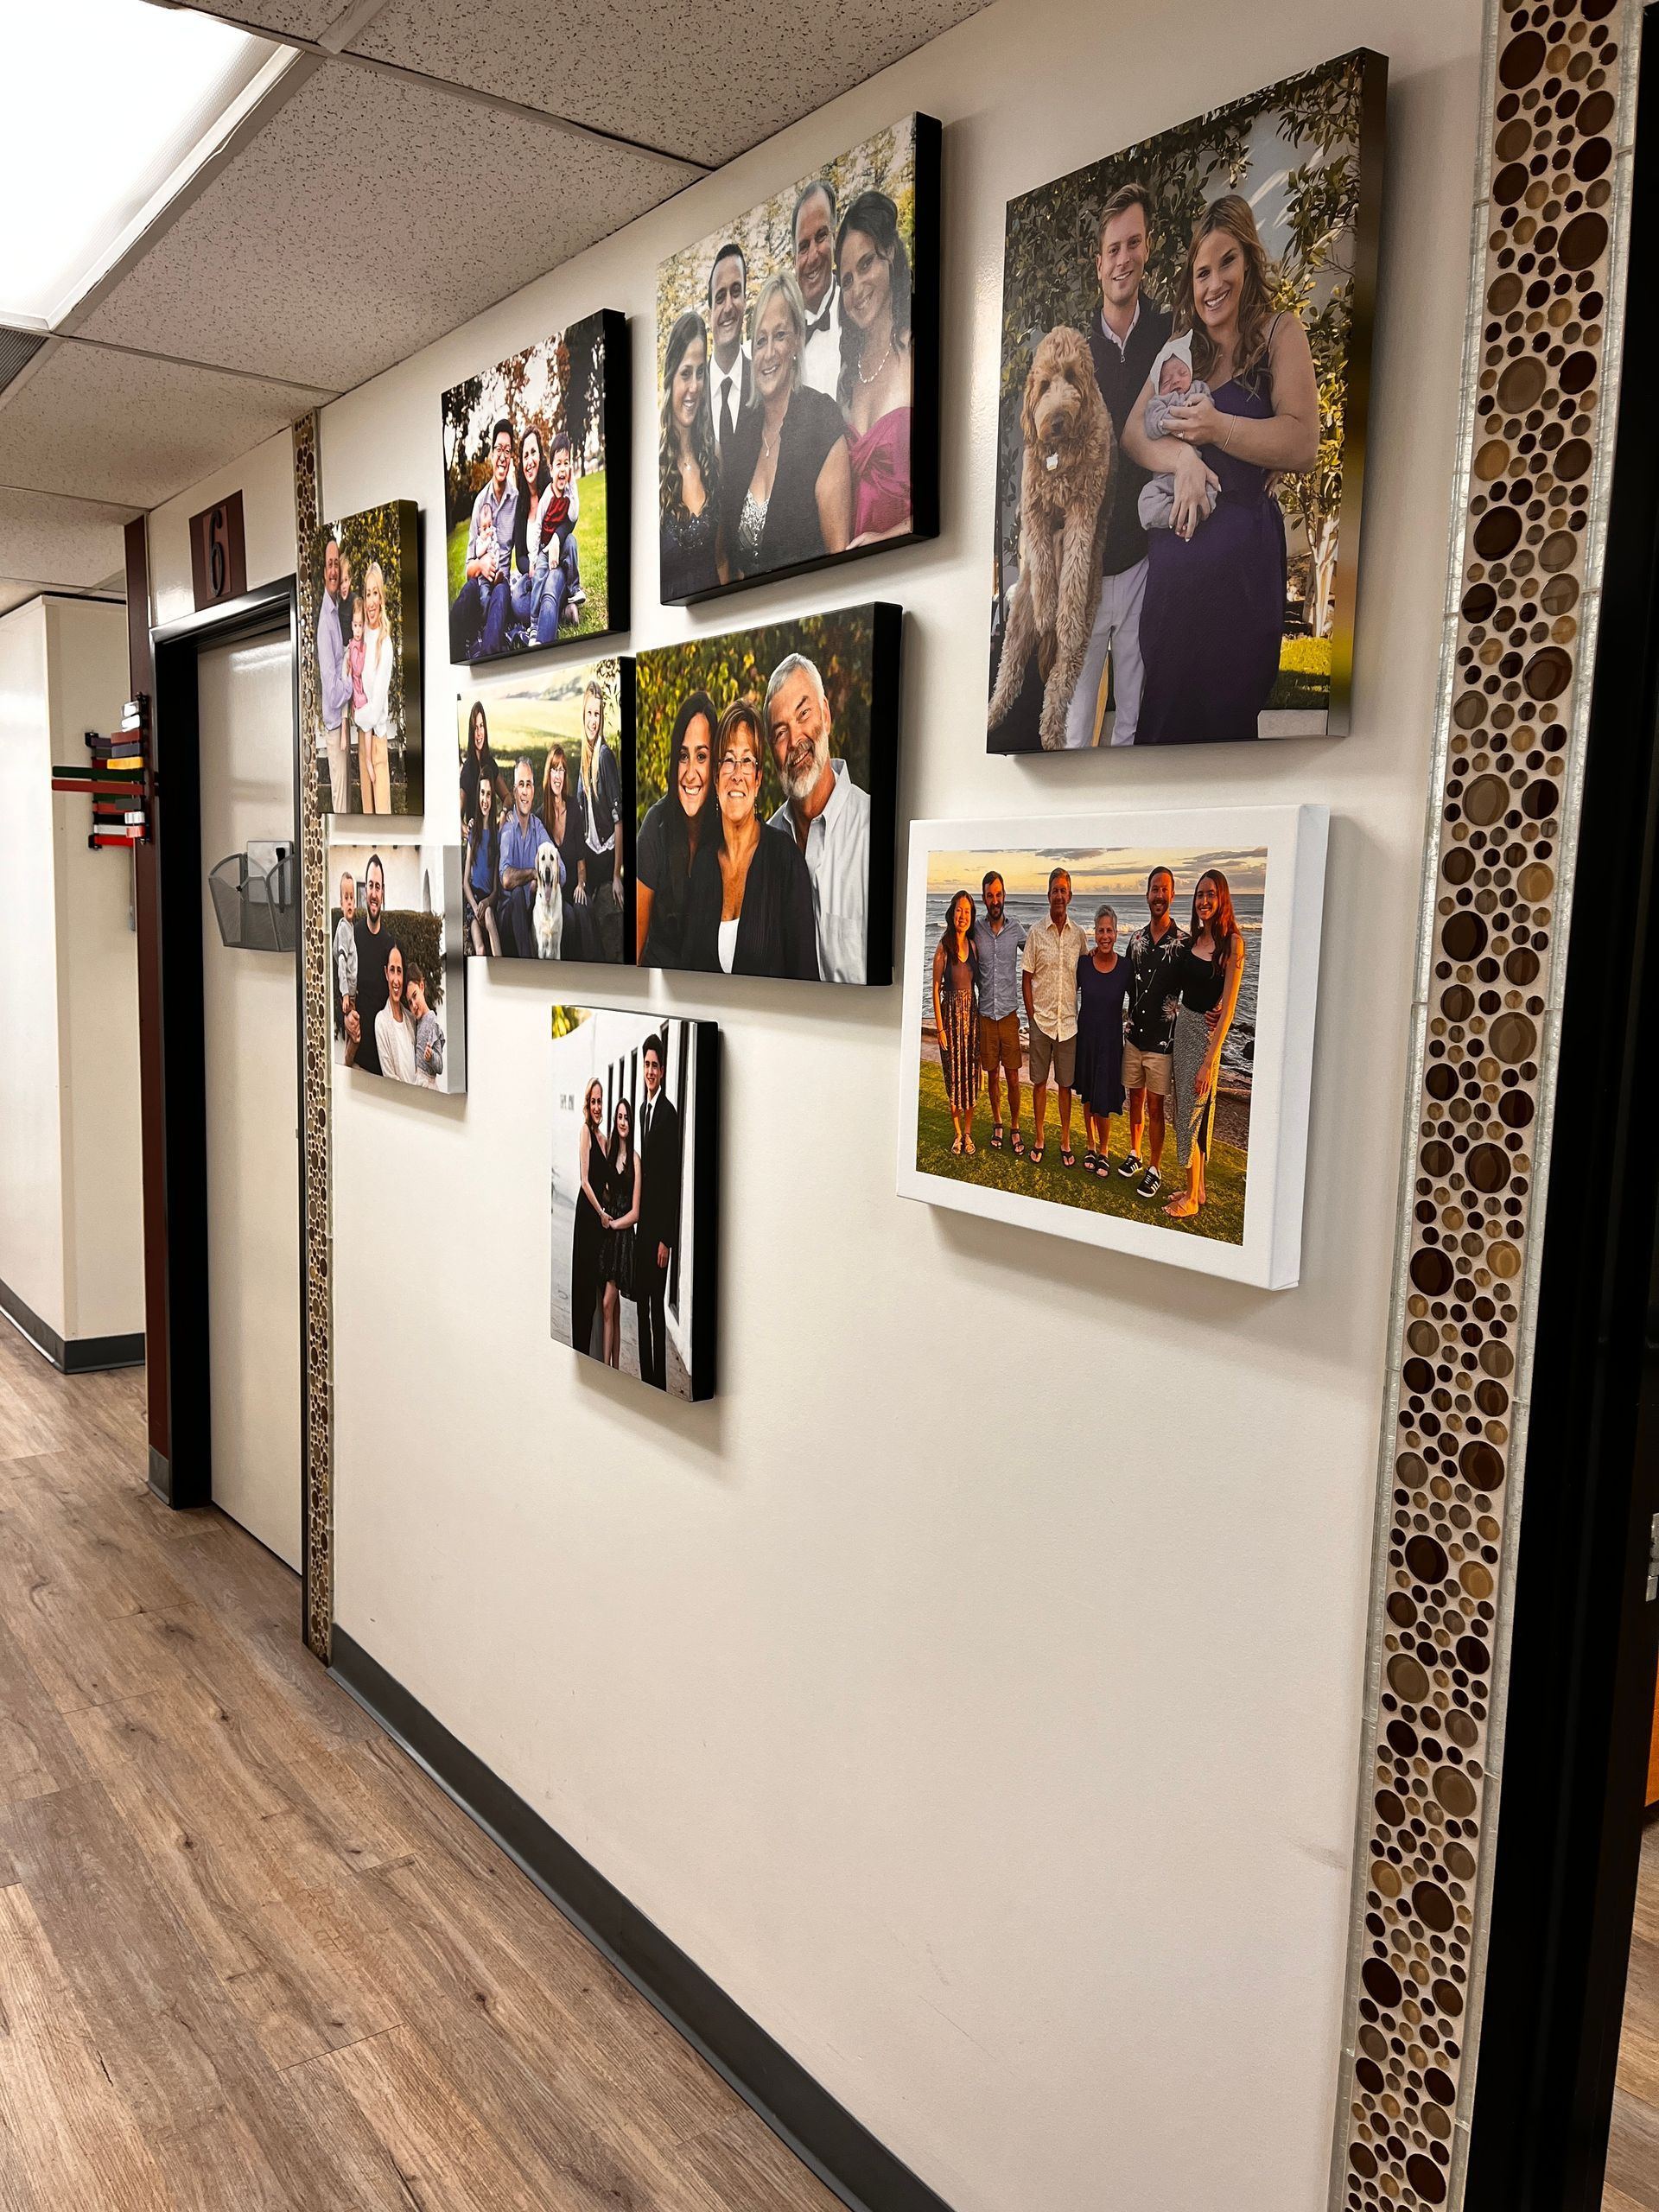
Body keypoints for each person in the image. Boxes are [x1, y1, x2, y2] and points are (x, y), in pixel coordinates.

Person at [1122, 193, 1320, 746]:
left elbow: (1303, 442)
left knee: (1228, 742)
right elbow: (1133, 434)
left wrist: (1216, 429)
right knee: (1160, 737)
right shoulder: (1183, 351)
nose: (1214, 285)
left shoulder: (1279, 334)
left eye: (1226, 262)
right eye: (1201, 272)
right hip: (1174, 589)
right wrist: (1183, 457)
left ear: (1249, 260)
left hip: (1240, 583)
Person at [1060, 182, 1174, 751]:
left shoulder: (1171, 336)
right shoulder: (1074, 351)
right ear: (1098, 261)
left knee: (1134, 724)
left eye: (1133, 243)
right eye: (1113, 249)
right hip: (1086, 571)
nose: (1123, 258)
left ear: (1147, 247)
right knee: (1074, 728)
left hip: (1144, 564)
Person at [721, 271, 851, 583]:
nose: (768, 353)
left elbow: (840, 559)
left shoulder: (821, 420)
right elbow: (730, 562)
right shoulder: (742, 437)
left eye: (779, 336)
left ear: (797, 340)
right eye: (760, 340)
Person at [683, 701, 818, 980]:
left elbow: (806, 979)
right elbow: (686, 974)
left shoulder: (785, 861)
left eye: (747, 761)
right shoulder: (703, 865)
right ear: (716, 778)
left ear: (757, 779)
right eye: (728, 760)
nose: (736, 775)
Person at [764, 652, 868, 985]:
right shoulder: (763, 849)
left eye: (803, 714)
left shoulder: (871, 832)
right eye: (780, 732)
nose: (795, 741)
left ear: (826, 713)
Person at [1166, 869, 1246, 1221]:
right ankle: (1197, 1188)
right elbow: (1183, 988)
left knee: (1191, 1116)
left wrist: (1208, 1062)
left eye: (1210, 894)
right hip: (1184, 1029)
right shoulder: (1192, 942)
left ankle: (1191, 1200)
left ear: (1222, 897)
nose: (1204, 901)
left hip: (1204, 1042)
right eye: (1199, 895)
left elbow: (1228, 1010)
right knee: (1189, 1112)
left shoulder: (1233, 944)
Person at [836, 190, 913, 547]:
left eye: (866, 264)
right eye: (846, 280)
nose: (857, 289)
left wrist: (885, 538)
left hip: (917, 564)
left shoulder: (916, 351)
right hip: (857, 569)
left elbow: (949, 492)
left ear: (891, 253)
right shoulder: (847, 376)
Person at [1120, 866, 1188, 1198]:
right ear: (1147, 895)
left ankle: (1155, 1168)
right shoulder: (1136, 941)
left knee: (1156, 1107)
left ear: (1172, 894)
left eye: (1164, 889)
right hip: (1134, 1037)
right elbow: (1123, 981)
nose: (1159, 895)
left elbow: (1197, 985)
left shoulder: (1184, 944)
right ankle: (1135, 1153)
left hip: (1163, 1042)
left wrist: (1217, 1006)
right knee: (1135, 1098)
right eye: (1154, 889)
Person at [637, 690, 717, 968]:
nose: (690, 773)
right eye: (683, 756)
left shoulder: (727, 830)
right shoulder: (655, 825)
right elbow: (635, 952)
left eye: (702, 756)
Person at [1020, 868, 1087, 1167]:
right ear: (1048, 895)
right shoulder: (1036, 933)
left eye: (1063, 890)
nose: (1059, 896)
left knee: (1065, 1086)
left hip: (1068, 1025)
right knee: (1038, 1083)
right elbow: (1026, 978)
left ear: (1070, 896)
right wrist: (1032, 1016)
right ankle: (1039, 1138)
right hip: (1042, 1023)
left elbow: (1087, 975)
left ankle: (1065, 1141)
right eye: (1055, 890)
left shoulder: (1079, 935)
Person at [658, 310, 722, 600]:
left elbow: (722, 560)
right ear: (670, 377)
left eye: (700, 373)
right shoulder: (653, 469)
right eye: (686, 373)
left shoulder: (714, 456)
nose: (694, 387)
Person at [634, 1033, 682, 1391]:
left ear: (663, 1071)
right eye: (647, 1065)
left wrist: (667, 1238)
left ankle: (659, 1386)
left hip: (659, 1236)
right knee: (640, 1305)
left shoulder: (669, 1114)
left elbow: (671, 1181)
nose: (650, 1071)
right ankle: (645, 1380)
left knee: (655, 1310)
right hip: (642, 1229)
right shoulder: (642, 1111)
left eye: (655, 1066)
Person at [449, 416, 517, 662]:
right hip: (479, 583)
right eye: (499, 449)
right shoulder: (480, 502)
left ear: (511, 458)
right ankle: (457, 654)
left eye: (507, 451)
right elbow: (468, 568)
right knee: (465, 596)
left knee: (501, 594)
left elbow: (523, 552)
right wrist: (481, 564)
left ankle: (487, 653)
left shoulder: (516, 500)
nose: (502, 456)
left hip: (501, 583)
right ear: (491, 455)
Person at [1136, 335, 1218, 533]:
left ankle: (1192, 515)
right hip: (1165, 476)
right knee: (1146, 502)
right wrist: (1169, 420)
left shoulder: (1197, 389)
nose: (1175, 381)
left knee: (1211, 489)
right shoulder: (1158, 402)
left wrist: (1195, 409)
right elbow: (1151, 425)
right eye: (1166, 381)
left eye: (1182, 373)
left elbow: (1208, 408)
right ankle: (1175, 517)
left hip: (1197, 472)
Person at [1075, 905, 1132, 1176]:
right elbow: (1064, 988)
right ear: (1094, 933)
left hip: (1110, 1043)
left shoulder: (1125, 968)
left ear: (1116, 933)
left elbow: (1141, 999)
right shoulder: (1084, 964)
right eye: (1100, 931)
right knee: (1088, 1095)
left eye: (1109, 930)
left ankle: (1105, 1150)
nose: (1105, 936)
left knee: (1104, 1099)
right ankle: (1090, 1144)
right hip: (1086, 1038)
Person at [973, 871, 1027, 1154]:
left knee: (1014, 1077)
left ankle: (1015, 1126)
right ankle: (997, 1122)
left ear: (1004, 896)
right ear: (984, 898)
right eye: (990, 895)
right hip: (985, 1016)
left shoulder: (1016, 930)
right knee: (992, 1076)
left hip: (1008, 1015)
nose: (995, 900)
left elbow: (1038, 954)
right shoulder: (976, 929)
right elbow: (956, 944)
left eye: (998, 894)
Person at [576, 681, 624, 962]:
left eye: (597, 714)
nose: (593, 721)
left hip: (606, 859)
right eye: (589, 714)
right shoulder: (585, 759)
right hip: (589, 858)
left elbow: (619, 822)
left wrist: (617, 876)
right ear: (582, 716)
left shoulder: (605, 757)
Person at [932, 891, 981, 1155]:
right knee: (953, 1078)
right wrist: (940, 1028)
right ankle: (958, 1133)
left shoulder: (973, 947)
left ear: (972, 916)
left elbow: (981, 983)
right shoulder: (944, 946)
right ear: (952, 913)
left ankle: (969, 1132)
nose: (963, 916)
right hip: (950, 1021)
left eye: (967, 911)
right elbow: (935, 987)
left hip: (971, 1021)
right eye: (959, 910)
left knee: (970, 1076)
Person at [598, 1097, 640, 1371]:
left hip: (623, 1238)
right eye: (619, 1117)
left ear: (630, 1123)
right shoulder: (611, 1153)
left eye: (626, 1118)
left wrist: (614, 1224)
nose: (623, 1122)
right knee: (612, 1310)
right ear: (615, 1121)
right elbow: (605, 1193)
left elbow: (636, 1213)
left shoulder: (635, 1160)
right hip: (608, 1239)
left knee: (607, 1304)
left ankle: (604, 1369)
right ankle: (613, 1368)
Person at [498, 754, 556, 959]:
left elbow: (561, 868)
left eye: (528, 785)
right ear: (514, 791)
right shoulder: (507, 830)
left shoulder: (538, 828)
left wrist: (542, 881)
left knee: (563, 912)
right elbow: (506, 879)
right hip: (507, 919)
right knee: (516, 895)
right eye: (520, 785)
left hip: (532, 911)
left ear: (533, 791)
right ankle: (528, 961)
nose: (524, 791)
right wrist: (534, 874)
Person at [540, 747, 593, 962]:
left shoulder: (574, 808)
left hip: (573, 888)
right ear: (548, 774)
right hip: (554, 896)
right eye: (554, 769)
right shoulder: (541, 817)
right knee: (569, 917)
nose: (558, 775)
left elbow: (581, 861)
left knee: (583, 908)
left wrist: (581, 884)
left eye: (562, 770)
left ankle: (594, 965)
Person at [793, 179, 841, 399]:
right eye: (803, 247)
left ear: (835, 238)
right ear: (794, 259)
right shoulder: (782, 332)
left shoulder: (857, 308)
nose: (813, 256)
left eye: (821, 236)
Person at [345, 853, 391, 1075]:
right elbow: (341, 990)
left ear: (383, 893)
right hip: (358, 1064)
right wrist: (345, 1017)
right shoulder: (353, 937)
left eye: (378, 887)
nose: (373, 893)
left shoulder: (390, 945)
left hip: (384, 1066)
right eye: (370, 885)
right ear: (365, 891)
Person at [354, 561, 395, 813]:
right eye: (367, 593)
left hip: (377, 740)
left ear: (381, 598)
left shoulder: (385, 644)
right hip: (363, 739)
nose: (370, 601)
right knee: (366, 815)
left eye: (375, 593)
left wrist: (356, 715)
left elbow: (375, 707)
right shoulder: (359, 638)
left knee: (383, 815)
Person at [570, 1077, 606, 1360]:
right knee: (583, 1290)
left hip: (600, 1222)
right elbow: (585, 1181)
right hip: (587, 1217)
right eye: (592, 1101)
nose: (596, 1106)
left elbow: (606, 1183)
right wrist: (602, 1213)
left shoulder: (604, 1139)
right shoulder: (585, 1132)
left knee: (596, 1288)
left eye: (599, 1101)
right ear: (587, 1103)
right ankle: (580, 1351)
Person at [707, 242, 751, 472]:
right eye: (720, 297)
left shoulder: (763, 385)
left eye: (735, 292)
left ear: (745, 300)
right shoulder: (692, 394)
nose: (728, 307)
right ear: (710, 313)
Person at [316, 536, 352, 810]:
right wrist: (350, 685)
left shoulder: (337, 610)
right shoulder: (324, 622)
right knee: (341, 807)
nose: (333, 570)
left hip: (343, 724)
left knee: (347, 802)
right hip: (334, 727)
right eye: (329, 564)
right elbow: (332, 690)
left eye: (336, 564)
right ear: (323, 572)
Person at [460, 698, 510, 832]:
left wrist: (503, 814)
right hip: (475, 839)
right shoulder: (467, 770)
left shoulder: (490, 764)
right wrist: (466, 831)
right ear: (471, 732)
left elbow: (507, 797)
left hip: (492, 839)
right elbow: (458, 817)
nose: (479, 733)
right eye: (475, 728)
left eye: (481, 726)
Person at [373, 938, 418, 1084]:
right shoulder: (381, 1022)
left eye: (399, 971)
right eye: (392, 970)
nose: (396, 980)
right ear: (386, 973)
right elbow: (390, 1078)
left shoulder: (412, 1019)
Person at [466, 774, 501, 955]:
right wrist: (474, 906)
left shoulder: (496, 836)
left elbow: (495, 890)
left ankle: (500, 965)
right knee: (479, 948)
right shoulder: (473, 833)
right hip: (473, 903)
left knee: (488, 915)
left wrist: (486, 902)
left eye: (488, 794)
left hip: (488, 901)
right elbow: (465, 882)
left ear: (492, 799)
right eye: (482, 793)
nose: (485, 800)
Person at [406, 961, 444, 1089]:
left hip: (428, 1085)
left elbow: (440, 1067)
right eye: (410, 1002)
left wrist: (431, 1056)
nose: (414, 1005)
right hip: (418, 1081)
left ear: (422, 987)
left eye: (415, 996)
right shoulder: (417, 1022)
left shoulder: (432, 1021)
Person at [333, 868, 357, 1039]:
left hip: (353, 993)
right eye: (346, 898)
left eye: (351, 897)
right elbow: (341, 960)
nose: (349, 902)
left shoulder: (351, 928)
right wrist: (345, 993)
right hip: (348, 993)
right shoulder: (343, 929)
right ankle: (348, 1058)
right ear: (341, 904)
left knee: (353, 1033)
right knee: (354, 1034)